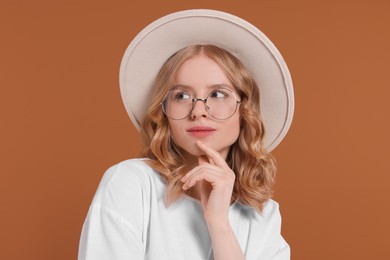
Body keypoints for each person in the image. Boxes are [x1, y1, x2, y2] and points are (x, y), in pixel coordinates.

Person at [78, 9, 294, 260]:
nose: (198, 111)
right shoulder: (131, 183)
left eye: (218, 94)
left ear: (244, 110)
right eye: (181, 96)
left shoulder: (262, 214)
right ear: (164, 111)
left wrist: (219, 225)